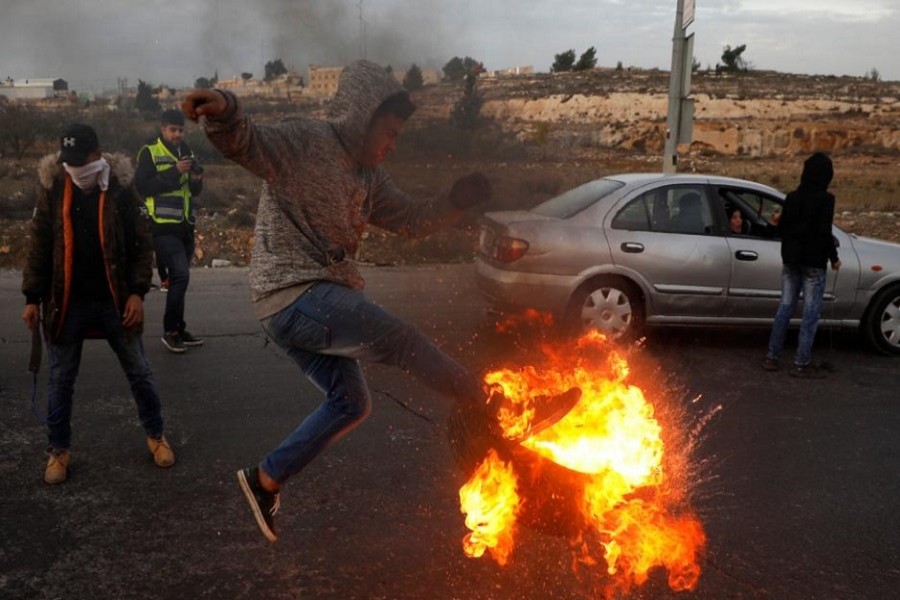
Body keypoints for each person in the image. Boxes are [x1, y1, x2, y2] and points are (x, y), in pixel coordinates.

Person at [181, 60, 495, 542]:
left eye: (397, 137)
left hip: (308, 305)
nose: (391, 144)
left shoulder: (371, 178)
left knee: (352, 402)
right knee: (400, 338)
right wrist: (225, 109)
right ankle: (489, 403)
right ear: (361, 118)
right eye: (387, 132)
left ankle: (264, 480)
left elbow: (411, 220)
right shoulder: (305, 142)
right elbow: (246, 141)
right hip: (293, 293)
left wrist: (454, 201)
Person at [21, 123, 175, 484]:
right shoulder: (54, 187)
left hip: (116, 300)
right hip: (66, 302)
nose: (74, 168)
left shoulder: (122, 189)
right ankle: (58, 451)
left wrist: (138, 291)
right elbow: (39, 243)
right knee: (60, 381)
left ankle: (156, 435)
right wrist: (31, 297)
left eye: (80, 160)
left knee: (139, 373)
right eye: (68, 161)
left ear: (96, 155)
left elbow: (142, 241)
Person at [763, 152, 841, 377]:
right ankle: (801, 363)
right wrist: (834, 258)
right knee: (810, 313)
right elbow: (824, 233)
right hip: (813, 264)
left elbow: (784, 228)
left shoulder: (792, 197)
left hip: (791, 261)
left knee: (785, 308)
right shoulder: (826, 200)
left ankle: (772, 357)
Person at [135, 108, 204, 353]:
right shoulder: (149, 153)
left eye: (181, 130)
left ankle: (179, 327)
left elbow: (193, 191)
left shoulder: (187, 152)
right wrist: (175, 171)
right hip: (162, 227)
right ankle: (170, 331)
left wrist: (195, 178)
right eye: (173, 130)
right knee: (181, 275)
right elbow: (144, 186)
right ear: (163, 129)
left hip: (184, 226)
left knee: (179, 280)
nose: (177, 135)